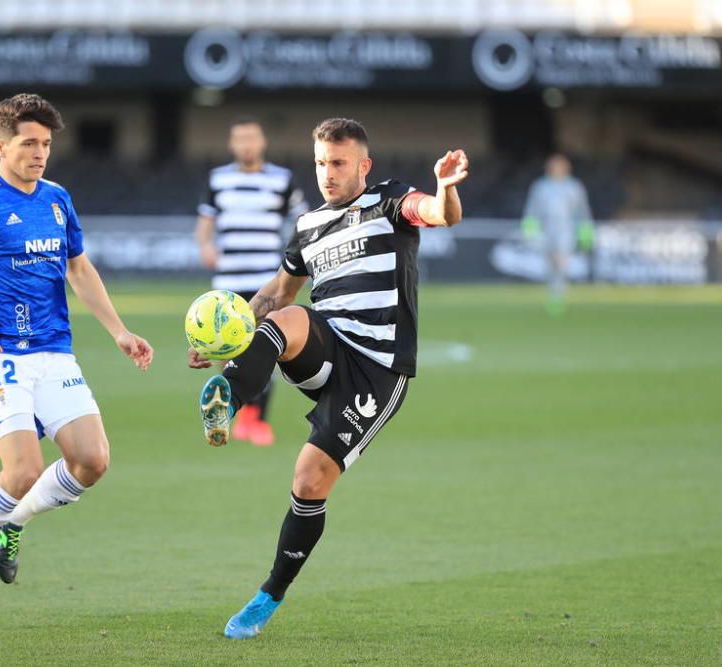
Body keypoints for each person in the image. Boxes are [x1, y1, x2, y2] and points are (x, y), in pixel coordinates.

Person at [189, 117, 468, 638]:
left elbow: (437, 214)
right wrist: (225, 341)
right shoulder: (308, 226)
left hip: (377, 371)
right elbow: (276, 292)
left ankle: (268, 594)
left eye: (338, 163)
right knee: (285, 319)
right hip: (328, 347)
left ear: (363, 165)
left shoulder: (389, 201)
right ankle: (229, 397)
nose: (328, 173)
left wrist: (445, 189)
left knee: (308, 479)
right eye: (321, 163)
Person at [0, 93, 153, 626]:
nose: (40, 153)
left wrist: (118, 331)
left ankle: (14, 523)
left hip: (54, 353)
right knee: (22, 468)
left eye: (46, 144)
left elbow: (79, 269)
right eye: (29, 143)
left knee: (93, 461)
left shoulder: (57, 198)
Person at [195, 118, 307, 446]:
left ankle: (257, 418)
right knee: (223, 348)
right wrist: (205, 245)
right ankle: (236, 410)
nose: (246, 144)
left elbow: (303, 219)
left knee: (263, 347)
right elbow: (205, 221)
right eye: (240, 139)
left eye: (251, 138)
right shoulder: (219, 179)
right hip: (228, 277)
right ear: (232, 144)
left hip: (266, 280)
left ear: (262, 143)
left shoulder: (281, 180)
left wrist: (294, 255)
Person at [521, 154, 594, 314]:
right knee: (551, 264)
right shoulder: (540, 187)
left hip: (566, 230)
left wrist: (585, 231)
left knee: (561, 260)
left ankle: (557, 297)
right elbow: (532, 210)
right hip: (546, 230)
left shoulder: (574, 187)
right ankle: (554, 293)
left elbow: (582, 211)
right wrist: (530, 228)